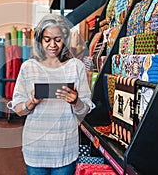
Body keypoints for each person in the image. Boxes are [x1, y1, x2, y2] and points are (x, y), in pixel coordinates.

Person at [8, 14, 95, 175]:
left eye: (58, 39)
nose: (52, 45)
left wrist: (76, 101)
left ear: (65, 40)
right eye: (47, 39)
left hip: (65, 146)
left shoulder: (76, 67)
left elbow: (84, 111)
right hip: (35, 147)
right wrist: (31, 102)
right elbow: (18, 110)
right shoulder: (28, 67)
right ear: (40, 40)